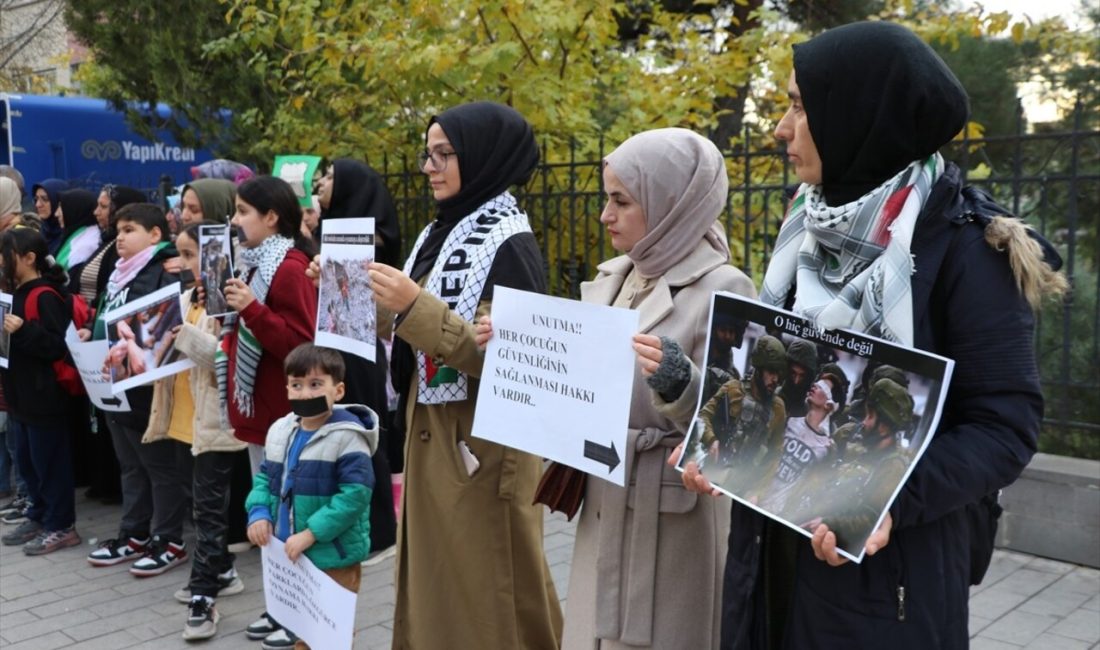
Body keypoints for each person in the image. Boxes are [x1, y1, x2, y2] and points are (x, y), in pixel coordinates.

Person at [679, 21, 1066, 649]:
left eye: (800, 106)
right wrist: (721, 449)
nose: (781, 128)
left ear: (861, 115)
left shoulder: (968, 248)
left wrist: (883, 500)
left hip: (886, 581)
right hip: (770, 558)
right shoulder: (811, 224)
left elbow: (1005, 426)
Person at [547, 127, 756, 649]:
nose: (605, 214)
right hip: (606, 499)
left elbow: (741, 430)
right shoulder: (615, 277)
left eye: (621, 200)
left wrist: (681, 384)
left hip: (673, 519)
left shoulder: (726, 287)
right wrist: (510, 346)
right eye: (606, 198)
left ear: (671, 203)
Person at [366, 101, 562, 649]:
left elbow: (518, 361)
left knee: (491, 608)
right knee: (449, 601)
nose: (429, 167)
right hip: (444, 444)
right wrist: (355, 289)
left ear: (482, 158)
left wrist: (412, 307)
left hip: (479, 453)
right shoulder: (444, 231)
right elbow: (416, 322)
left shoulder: (508, 242)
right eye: (427, 154)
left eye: (444, 154)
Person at [222, 176, 317, 648]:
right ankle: (280, 605)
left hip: (283, 415)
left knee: (287, 520)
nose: (236, 221)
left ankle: (299, 615)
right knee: (268, 517)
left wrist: (253, 309)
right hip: (261, 413)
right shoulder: (258, 263)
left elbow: (301, 346)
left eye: (242, 211)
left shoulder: (291, 268)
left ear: (271, 217)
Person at [81, 203, 191, 576]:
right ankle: (134, 532)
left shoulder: (164, 269)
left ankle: (169, 538)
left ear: (155, 235)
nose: (120, 237)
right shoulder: (119, 273)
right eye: (118, 230)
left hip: (147, 388)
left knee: (159, 465)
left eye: (129, 229)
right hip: (114, 386)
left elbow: (167, 326)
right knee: (130, 464)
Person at [246, 343, 377, 650]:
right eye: (296, 385)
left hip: (333, 556)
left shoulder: (348, 437)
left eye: (316, 384)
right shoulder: (280, 431)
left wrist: (311, 533)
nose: (305, 393)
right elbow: (265, 477)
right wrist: (258, 513)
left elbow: (354, 496)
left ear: (338, 390)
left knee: (329, 634)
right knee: (303, 629)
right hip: (292, 553)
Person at [314, 158, 400, 563]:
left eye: (330, 176)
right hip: (336, 341)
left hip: (361, 350)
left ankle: (381, 531)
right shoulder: (329, 230)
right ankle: (353, 524)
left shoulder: (375, 239)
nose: (322, 182)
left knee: (364, 433)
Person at [0, 227, 82, 555]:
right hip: (21, 396)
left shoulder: (44, 294)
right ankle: (39, 514)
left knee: (50, 462)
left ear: (29, 258)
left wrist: (23, 331)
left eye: (5, 255)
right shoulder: (16, 291)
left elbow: (55, 346)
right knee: (29, 461)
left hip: (44, 396)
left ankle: (61, 524)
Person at [695, 335, 787, 476]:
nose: (775, 379)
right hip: (716, 467)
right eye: (771, 372)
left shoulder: (778, 408)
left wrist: (757, 492)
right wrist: (712, 440)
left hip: (745, 479)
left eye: (778, 374)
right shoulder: (732, 389)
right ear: (759, 369)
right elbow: (703, 416)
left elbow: (775, 455)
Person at [54, 189, 101, 272]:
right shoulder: (75, 235)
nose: (56, 214)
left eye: (61, 207)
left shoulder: (85, 246)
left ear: (75, 209)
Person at [777, 339, 817, 418]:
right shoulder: (774, 398)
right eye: (793, 373)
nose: (796, 381)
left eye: (802, 376)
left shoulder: (810, 412)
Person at [31, 179, 69, 254]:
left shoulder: (69, 239)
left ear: (58, 201)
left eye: (45, 199)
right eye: (36, 199)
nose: (38, 205)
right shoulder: (42, 232)